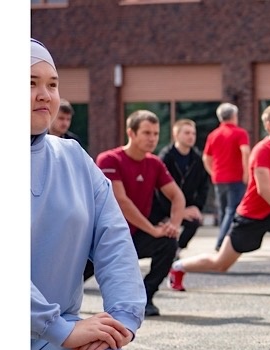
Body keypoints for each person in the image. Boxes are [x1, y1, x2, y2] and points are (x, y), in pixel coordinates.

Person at [31, 38, 145, 350]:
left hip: (45, 342)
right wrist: (59, 327)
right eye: (29, 82)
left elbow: (114, 240)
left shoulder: (75, 159)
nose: (45, 94)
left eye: (53, 83)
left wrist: (121, 320)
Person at [168, 104, 270, 313]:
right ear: (269, 125)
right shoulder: (262, 151)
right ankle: (178, 267)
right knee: (220, 264)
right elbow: (264, 190)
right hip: (252, 215)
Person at [85, 110, 185, 317]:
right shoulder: (109, 159)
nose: (152, 139)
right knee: (66, 282)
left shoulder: (154, 163)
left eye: (156, 134)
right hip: (100, 239)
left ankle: (146, 298)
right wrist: (152, 230)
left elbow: (177, 196)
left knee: (168, 243)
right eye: (147, 133)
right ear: (131, 133)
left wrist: (173, 226)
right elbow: (121, 201)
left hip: (132, 236)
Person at [155, 119, 211, 272]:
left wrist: (196, 207)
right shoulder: (165, 157)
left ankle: (177, 250)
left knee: (195, 221)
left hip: (185, 204)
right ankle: (163, 254)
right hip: (162, 206)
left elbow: (203, 186)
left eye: (193, 133)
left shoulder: (197, 159)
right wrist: (176, 211)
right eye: (186, 133)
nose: (191, 136)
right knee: (163, 233)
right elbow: (158, 189)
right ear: (176, 134)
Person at [203, 102, 251, 251]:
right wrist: (246, 173)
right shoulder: (240, 133)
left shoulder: (213, 135)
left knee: (224, 212)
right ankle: (221, 244)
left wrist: (212, 172)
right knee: (232, 211)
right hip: (235, 178)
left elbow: (206, 157)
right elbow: (245, 151)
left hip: (218, 179)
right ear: (234, 116)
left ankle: (224, 242)